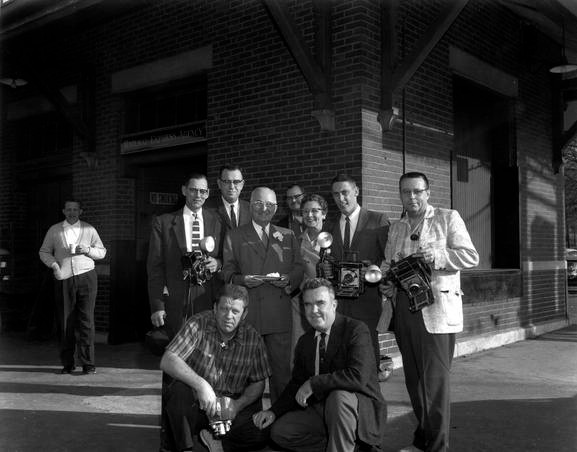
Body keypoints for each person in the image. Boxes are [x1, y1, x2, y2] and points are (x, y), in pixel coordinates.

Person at [380, 171, 479, 452]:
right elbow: (388, 264)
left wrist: (437, 256)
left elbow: (471, 256)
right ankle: (422, 441)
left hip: (435, 313)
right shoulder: (397, 227)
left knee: (434, 386)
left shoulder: (448, 217)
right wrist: (385, 280)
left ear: (427, 193)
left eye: (417, 191)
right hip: (404, 311)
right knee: (414, 382)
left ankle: (437, 447)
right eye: (405, 192)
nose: (411, 197)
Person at [253, 278, 386, 452]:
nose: (314, 310)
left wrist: (314, 383)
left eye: (320, 303)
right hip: (321, 411)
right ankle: (347, 447)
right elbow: (296, 383)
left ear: (334, 304)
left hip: (358, 411)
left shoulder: (356, 330)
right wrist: (273, 411)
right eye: (308, 305)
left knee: (338, 397)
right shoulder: (305, 341)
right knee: (281, 431)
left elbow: (358, 377)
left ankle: (347, 444)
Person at [160, 284, 271, 452]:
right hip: (198, 403)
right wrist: (201, 385)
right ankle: (186, 448)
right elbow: (168, 360)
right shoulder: (198, 323)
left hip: (230, 407)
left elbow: (259, 383)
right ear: (214, 308)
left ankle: (217, 442)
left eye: (235, 311)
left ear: (244, 314)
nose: (228, 316)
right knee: (178, 393)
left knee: (261, 432)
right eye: (224, 309)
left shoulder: (253, 338)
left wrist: (237, 405)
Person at [222, 186, 304, 401]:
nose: (264, 208)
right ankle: (248, 426)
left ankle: (281, 423)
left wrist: (289, 280)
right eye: (259, 203)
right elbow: (227, 271)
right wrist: (242, 280)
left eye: (270, 205)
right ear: (250, 206)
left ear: (276, 208)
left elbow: (298, 267)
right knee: (247, 376)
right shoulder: (235, 235)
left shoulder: (288, 235)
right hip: (249, 315)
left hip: (278, 314)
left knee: (282, 374)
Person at [147, 172, 224, 339]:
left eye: (203, 191)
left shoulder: (218, 220)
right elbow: (155, 268)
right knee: (178, 353)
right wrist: (157, 305)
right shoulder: (163, 222)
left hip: (208, 296)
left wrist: (218, 263)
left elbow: (228, 256)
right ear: (184, 190)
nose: (198, 195)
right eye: (193, 190)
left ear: (208, 193)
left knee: (207, 350)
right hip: (176, 299)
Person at [328, 173, 389, 366]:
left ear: (356, 191)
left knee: (368, 358)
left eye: (345, 192)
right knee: (341, 357)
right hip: (338, 304)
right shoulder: (329, 226)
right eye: (336, 194)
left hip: (367, 301)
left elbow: (390, 258)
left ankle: (372, 395)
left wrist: (373, 272)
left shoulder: (378, 220)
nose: (341, 198)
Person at [39, 200, 106, 374]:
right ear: (63, 211)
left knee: (87, 321)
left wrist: (88, 250)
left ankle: (88, 363)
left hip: (87, 277)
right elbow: (44, 251)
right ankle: (68, 363)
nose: (72, 212)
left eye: (75, 209)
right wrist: (54, 265)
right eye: (68, 209)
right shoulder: (54, 230)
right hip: (64, 277)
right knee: (65, 321)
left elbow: (102, 251)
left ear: (80, 211)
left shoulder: (89, 229)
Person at [293, 193, 329, 354]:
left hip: (326, 302)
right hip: (300, 303)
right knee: (301, 347)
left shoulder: (334, 240)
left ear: (324, 214)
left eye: (315, 211)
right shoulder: (295, 241)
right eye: (305, 211)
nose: (309, 215)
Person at [206, 163, 251, 231]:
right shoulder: (206, 209)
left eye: (236, 182)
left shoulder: (251, 209)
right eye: (227, 181)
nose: (231, 187)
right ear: (219, 183)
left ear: (242, 184)